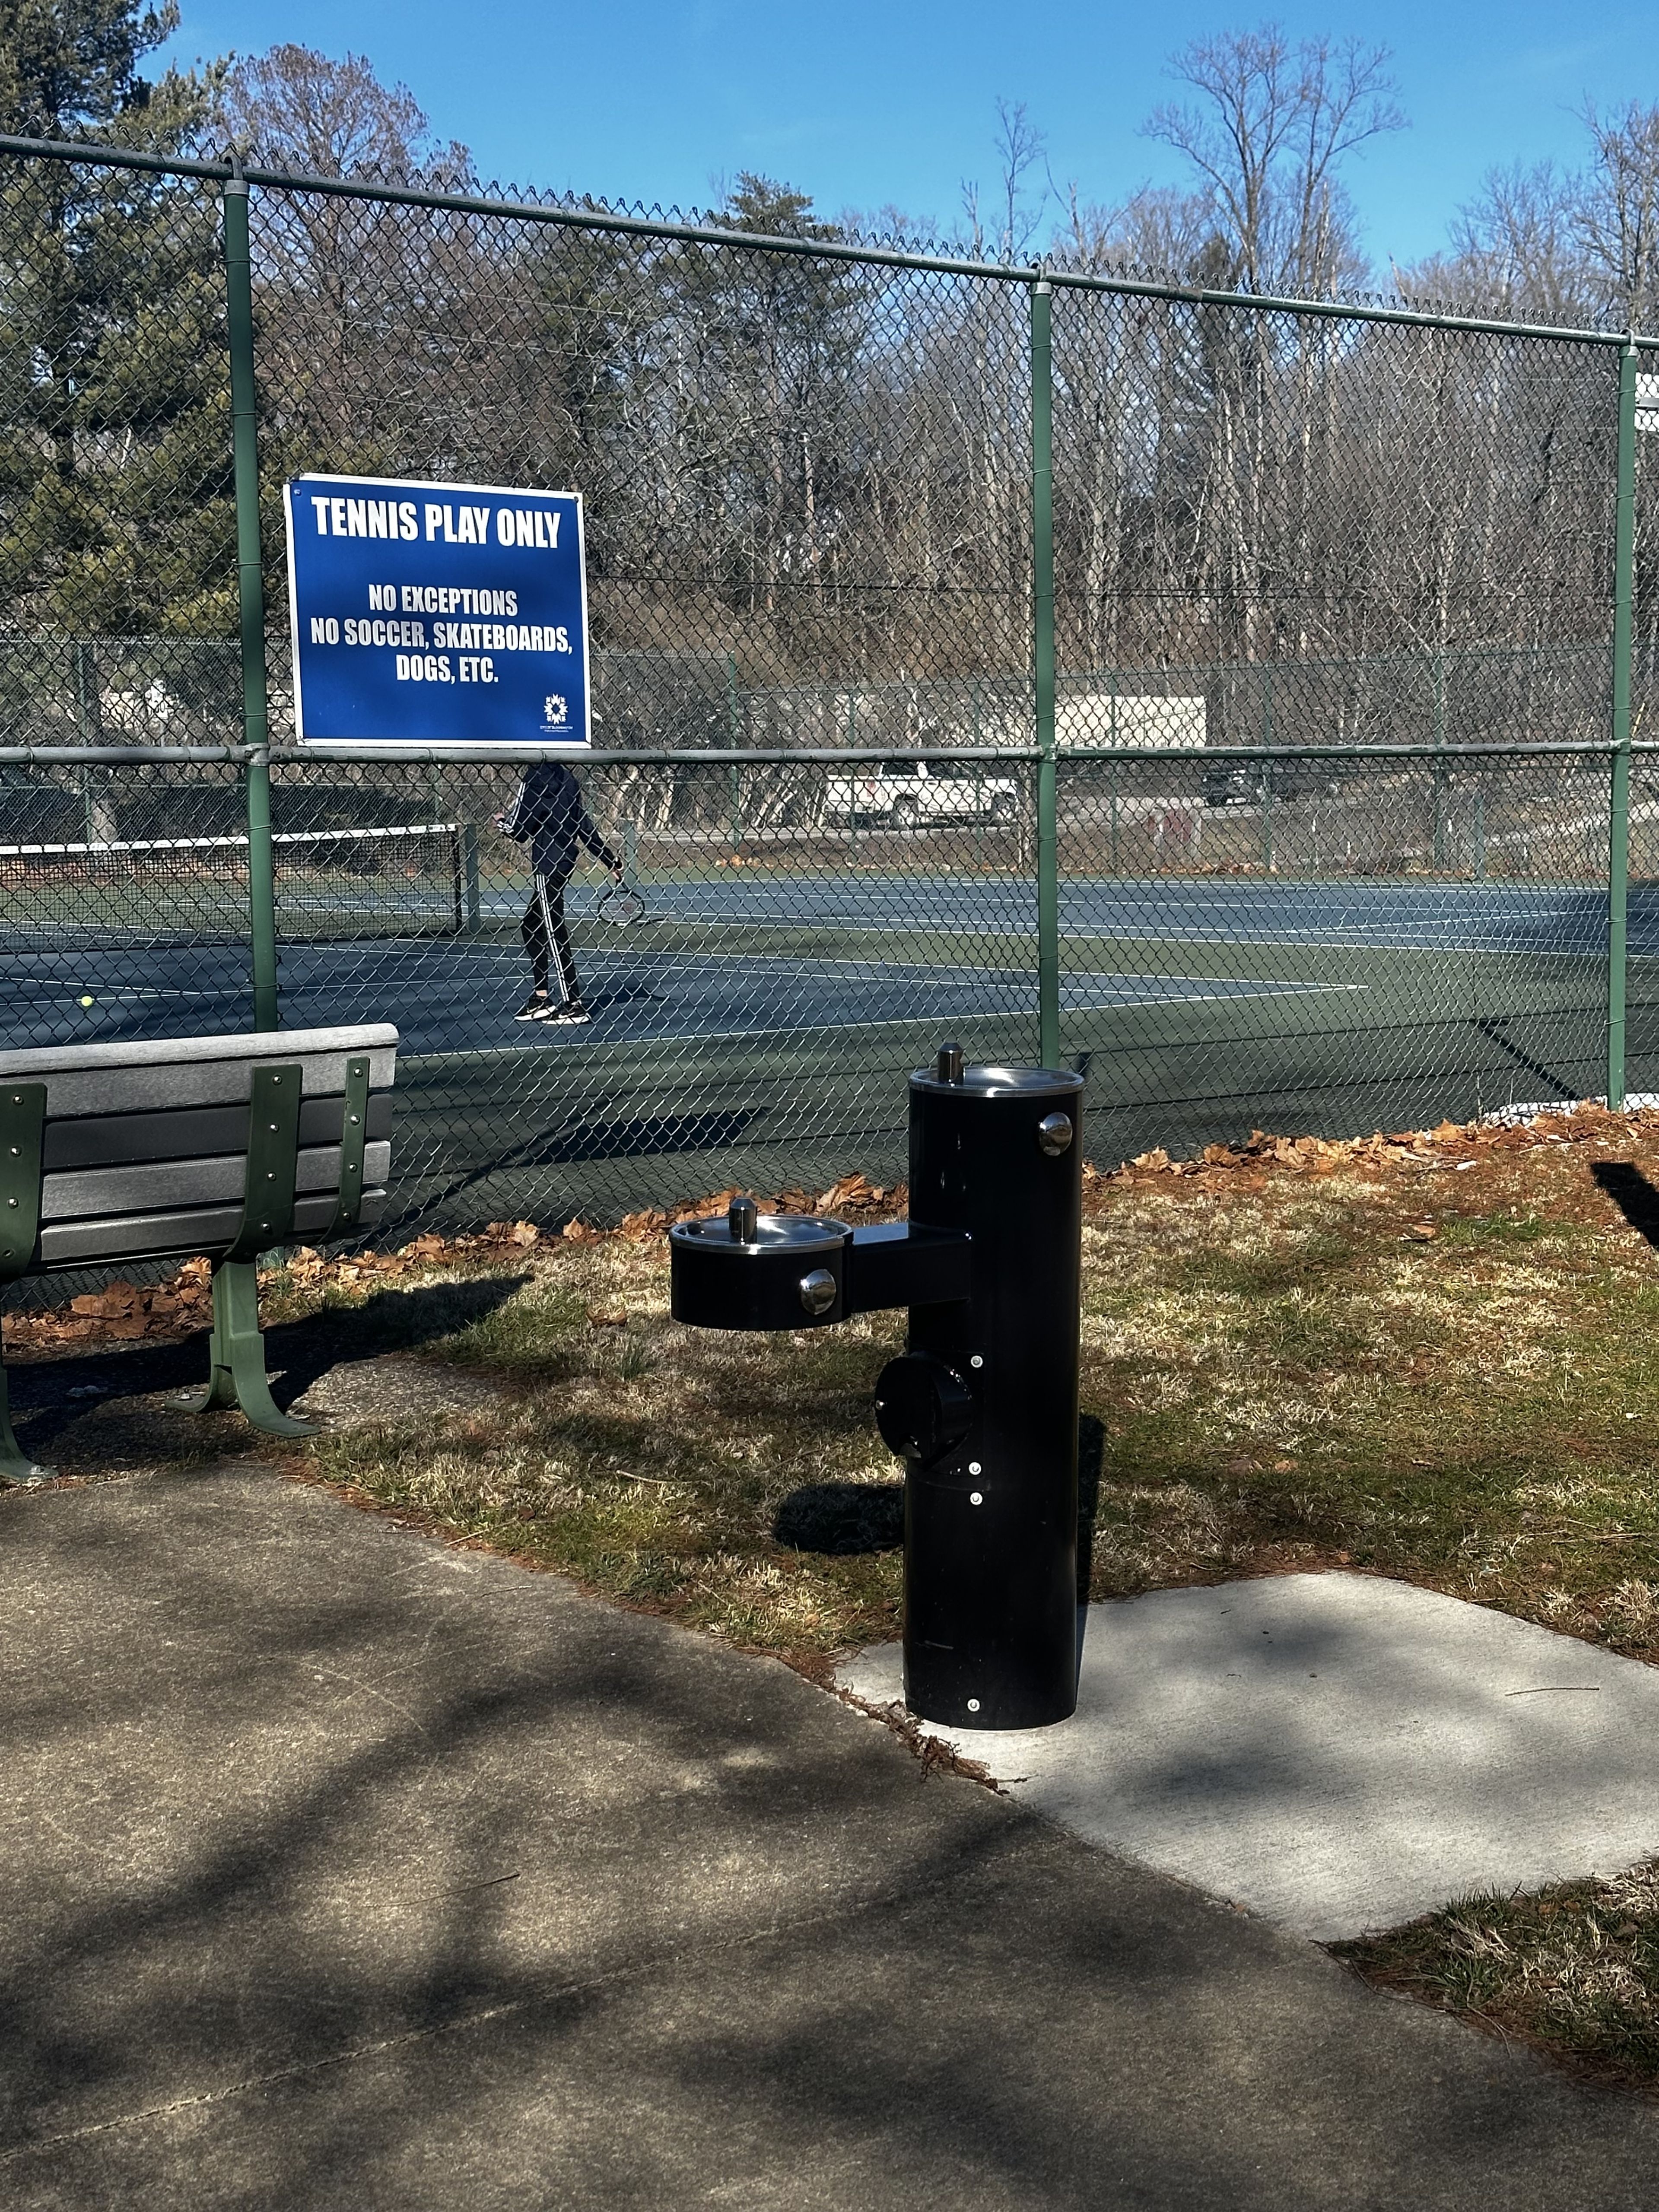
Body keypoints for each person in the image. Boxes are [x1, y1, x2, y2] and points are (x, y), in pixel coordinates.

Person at [494, 760, 623, 1024]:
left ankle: (573, 1003)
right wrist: (610, 860)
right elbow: (583, 825)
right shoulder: (569, 780)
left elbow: (520, 830)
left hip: (546, 864)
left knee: (553, 932)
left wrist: (502, 823)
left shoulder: (533, 779)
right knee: (532, 925)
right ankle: (542, 998)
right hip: (565, 862)